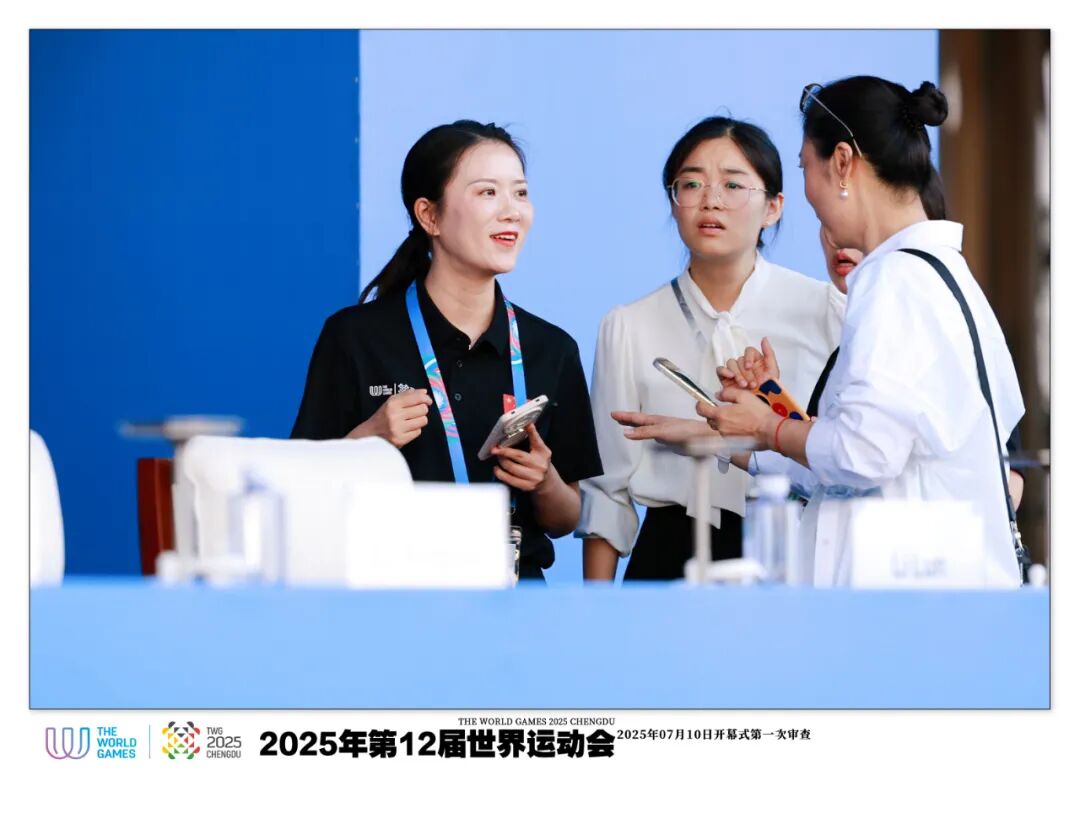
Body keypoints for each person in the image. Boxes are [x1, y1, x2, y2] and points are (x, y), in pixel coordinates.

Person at [698, 77, 1025, 586]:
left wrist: (769, 429)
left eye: (805, 166)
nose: (807, 192)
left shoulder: (893, 279)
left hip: (900, 596)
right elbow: (875, 447)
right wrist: (774, 415)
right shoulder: (942, 274)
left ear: (843, 162)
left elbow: (864, 454)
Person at [291, 120, 603, 581]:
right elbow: (300, 492)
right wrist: (369, 441)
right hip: (395, 596)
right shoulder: (355, 337)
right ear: (429, 216)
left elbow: (565, 518)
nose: (512, 211)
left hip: (517, 602)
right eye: (487, 193)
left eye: (520, 193)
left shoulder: (550, 349)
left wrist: (544, 481)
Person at [576, 116, 843, 581]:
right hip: (668, 557)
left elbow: (841, 451)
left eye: (733, 185)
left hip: (788, 546)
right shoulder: (628, 325)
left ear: (773, 207)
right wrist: (595, 611)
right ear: (673, 201)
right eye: (691, 184)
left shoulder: (826, 310)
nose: (710, 200)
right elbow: (606, 493)